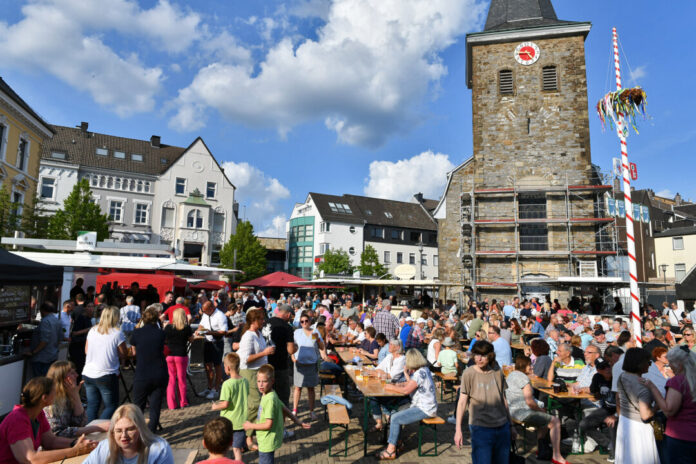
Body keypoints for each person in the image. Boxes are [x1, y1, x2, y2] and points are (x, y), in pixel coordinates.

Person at [0, 377, 96, 463]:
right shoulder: (17, 420)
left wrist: (76, 443)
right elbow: (31, 458)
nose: (57, 393)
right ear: (44, 398)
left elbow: (50, 441)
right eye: (54, 391)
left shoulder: (38, 413)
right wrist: (76, 450)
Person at [454, 340, 512, 463]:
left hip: (502, 427)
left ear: (490, 356)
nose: (479, 359)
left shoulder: (497, 371)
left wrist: (511, 425)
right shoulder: (469, 373)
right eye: (477, 355)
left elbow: (503, 399)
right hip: (480, 428)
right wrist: (458, 430)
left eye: (483, 355)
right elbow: (462, 402)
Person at [505, 355, 568, 463]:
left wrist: (541, 409)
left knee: (544, 419)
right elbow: (530, 402)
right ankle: (556, 456)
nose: (532, 367)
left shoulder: (511, 375)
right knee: (555, 421)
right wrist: (541, 409)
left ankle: (541, 448)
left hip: (512, 411)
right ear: (525, 366)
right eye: (530, 365)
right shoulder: (524, 379)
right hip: (523, 413)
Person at [377, 349, 438, 460]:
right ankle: (398, 442)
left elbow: (406, 391)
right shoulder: (424, 369)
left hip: (424, 409)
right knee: (396, 411)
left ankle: (390, 451)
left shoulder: (419, 373)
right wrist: (401, 380)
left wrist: (391, 387)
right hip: (426, 406)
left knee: (395, 418)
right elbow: (411, 383)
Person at [242, 364, 310, 464]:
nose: (261, 385)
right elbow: (283, 407)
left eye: (264, 381)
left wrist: (250, 425)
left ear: (272, 381)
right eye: (258, 381)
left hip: (267, 441)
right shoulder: (270, 393)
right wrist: (297, 421)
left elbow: (268, 424)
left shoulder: (269, 399)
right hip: (265, 439)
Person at [642, 346, 696, 462]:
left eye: (671, 362)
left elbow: (669, 410)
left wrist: (652, 388)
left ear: (679, 364)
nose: (669, 365)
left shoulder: (677, 381)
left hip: (681, 437)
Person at [83, 403, 173, 463]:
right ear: (112, 432)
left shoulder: (159, 449)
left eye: (130, 429)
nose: (124, 436)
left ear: (140, 428)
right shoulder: (104, 448)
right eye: (118, 431)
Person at [82, 306, 127, 422]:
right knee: (111, 406)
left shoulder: (92, 330)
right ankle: (99, 429)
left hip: (89, 372)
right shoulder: (117, 333)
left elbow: (86, 350)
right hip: (106, 373)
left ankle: (91, 430)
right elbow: (123, 354)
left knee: (92, 405)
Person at [615, 348, 660, 464]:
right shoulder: (642, 386)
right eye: (649, 362)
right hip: (640, 428)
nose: (650, 365)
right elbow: (645, 415)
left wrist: (622, 416)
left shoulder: (622, 376)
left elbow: (618, 398)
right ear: (640, 364)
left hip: (625, 422)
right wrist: (657, 407)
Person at [238, 309, 274, 450]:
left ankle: (249, 436)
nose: (263, 321)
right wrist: (264, 353)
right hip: (250, 373)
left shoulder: (258, 334)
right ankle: (246, 438)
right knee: (254, 405)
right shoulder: (248, 336)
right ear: (253, 321)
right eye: (261, 319)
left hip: (258, 372)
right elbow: (245, 359)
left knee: (257, 405)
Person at [44, 361, 109, 438]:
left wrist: (76, 396)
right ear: (62, 378)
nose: (77, 375)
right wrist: (96, 428)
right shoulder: (52, 402)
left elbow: (81, 423)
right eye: (72, 373)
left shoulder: (69, 395)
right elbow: (57, 433)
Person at [129, 307, 168, 433]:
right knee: (155, 406)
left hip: (142, 373)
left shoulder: (137, 333)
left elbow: (133, 352)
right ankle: (151, 432)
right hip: (159, 372)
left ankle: (138, 432)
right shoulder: (161, 333)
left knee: (138, 406)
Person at [212, 353, 249, 462]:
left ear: (228, 368)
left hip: (229, 422)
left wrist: (215, 406)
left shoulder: (227, 384)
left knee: (225, 448)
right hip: (241, 421)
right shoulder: (245, 381)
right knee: (237, 449)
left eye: (224, 366)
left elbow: (225, 404)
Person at [292, 313, 326, 420]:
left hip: (311, 364)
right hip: (299, 364)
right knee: (298, 388)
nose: (304, 323)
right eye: (302, 321)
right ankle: (294, 411)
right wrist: (292, 356)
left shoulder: (315, 332)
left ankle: (312, 411)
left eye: (306, 321)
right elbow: (291, 345)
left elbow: (321, 346)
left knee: (311, 388)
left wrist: (319, 341)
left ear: (310, 321)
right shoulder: (297, 332)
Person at [265, 304, 297, 408]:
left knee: (266, 394)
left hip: (265, 363)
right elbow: (291, 350)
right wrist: (296, 346)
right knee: (282, 396)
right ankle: (281, 421)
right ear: (288, 315)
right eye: (292, 317)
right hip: (280, 365)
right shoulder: (287, 327)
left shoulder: (266, 322)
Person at [197, 301, 229, 399]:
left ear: (211, 308)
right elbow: (201, 325)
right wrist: (199, 330)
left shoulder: (220, 316)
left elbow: (224, 331)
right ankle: (209, 387)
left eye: (206, 311)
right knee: (207, 365)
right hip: (207, 342)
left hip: (217, 343)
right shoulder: (206, 314)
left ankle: (216, 389)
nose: (204, 313)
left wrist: (209, 332)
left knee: (217, 365)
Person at [164, 308, 195, 410]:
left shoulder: (168, 327)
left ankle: (172, 404)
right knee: (181, 380)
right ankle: (183, 402)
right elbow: (191, 340)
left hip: (169, 355)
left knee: (171, 380)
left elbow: (164, 340)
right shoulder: (186, 328)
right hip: (181, 355)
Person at [29, 302, 63, 377]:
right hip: (52, 356)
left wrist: (33, 352)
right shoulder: (57, 320)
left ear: (42, 310)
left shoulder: (45, 321)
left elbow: (44, 341)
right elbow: (60, 337)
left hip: (41, 358)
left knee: (40, 383)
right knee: (48, 381)